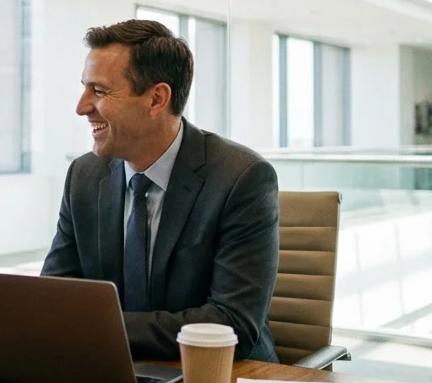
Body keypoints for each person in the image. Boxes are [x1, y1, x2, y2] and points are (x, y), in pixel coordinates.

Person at [41, 20, 280, 362]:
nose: (81, 107)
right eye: (84, 88)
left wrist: (96, 329)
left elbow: (231, 325)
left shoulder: (242, 179)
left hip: (219, 379)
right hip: (111, 371)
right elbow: (55, 297)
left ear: (156, 99)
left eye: (99, 91)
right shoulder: (84, 175)